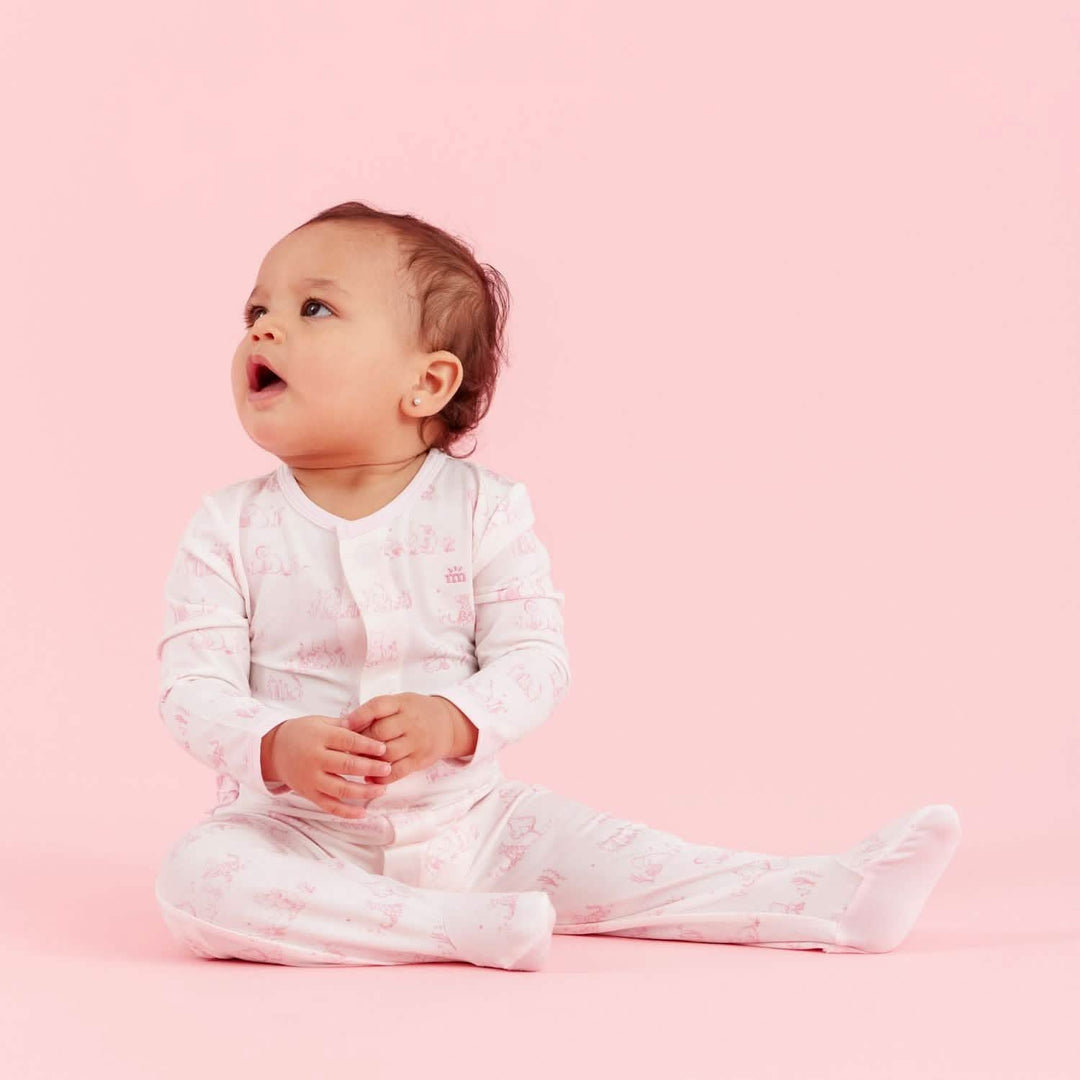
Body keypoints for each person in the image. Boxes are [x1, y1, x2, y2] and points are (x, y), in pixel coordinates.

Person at [153, 201, 961, 969]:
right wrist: (275, 743)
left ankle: (829, 895)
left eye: (314, 309)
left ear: (427, 384)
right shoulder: (228, 525)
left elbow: (537, 659)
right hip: (295, 832)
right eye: (255, 310)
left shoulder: (485, 511)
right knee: (199, 881)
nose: (263, 326)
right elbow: (191, 686)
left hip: (474, 822)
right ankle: (453, 929)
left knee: (638, 858)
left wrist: (452, 721)